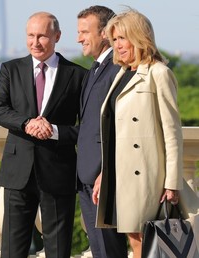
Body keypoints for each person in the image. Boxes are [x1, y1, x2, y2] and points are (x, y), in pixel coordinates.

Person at [0, 11, 86, 258]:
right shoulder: (10, 69)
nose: (35, 42)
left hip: (58, 170)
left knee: (58, 249)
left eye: (42, 36)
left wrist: (53, 131)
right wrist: (26, 123)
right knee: (12, 248)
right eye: (31, 35)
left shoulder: (77, 75)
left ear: (57, 36)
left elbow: (87, 127)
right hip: (17, 170)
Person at [92, 9, 183, 258]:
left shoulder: (159, 73)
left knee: (148, 240)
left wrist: (172, 182)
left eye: (123, 38)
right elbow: (114, 132)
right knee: (134, 238)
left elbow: (172, 132)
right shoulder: (122, 73)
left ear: (140, 37)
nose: (118, 46)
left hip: (147, 174)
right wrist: (104, 172)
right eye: (115, 40)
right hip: (121, 174)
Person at [75, 6, 128, 258]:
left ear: (105, 33)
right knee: (98, 250)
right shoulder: (95, 69)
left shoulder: (118, 69)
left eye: (85, 31)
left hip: (103, 178)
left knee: (110, 251)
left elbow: (122, 125)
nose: (79, 38)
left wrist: (107, 171)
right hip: (86, 176)